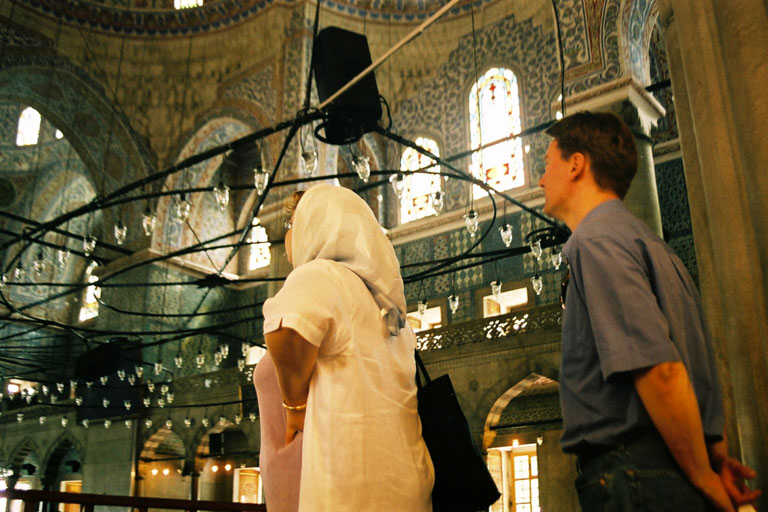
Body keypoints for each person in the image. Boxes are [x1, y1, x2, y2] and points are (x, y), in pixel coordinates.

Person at [538, 111, 760, 511]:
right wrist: (712, 460)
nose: (540, 179)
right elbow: (698, 370)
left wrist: (702, 474)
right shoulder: (653, 247)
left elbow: (661, 371)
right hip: (668, 465)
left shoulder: (596, 241)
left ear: (576, 165)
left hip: (634, 474)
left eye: (547, 163)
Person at [252, 184, 434, 512]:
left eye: (291, 224)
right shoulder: (389, 311)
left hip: (347, 489)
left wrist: (295, 408)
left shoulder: (322, 275)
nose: (288, 237)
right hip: (405, 485)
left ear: (315, 224)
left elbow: (286, 332)